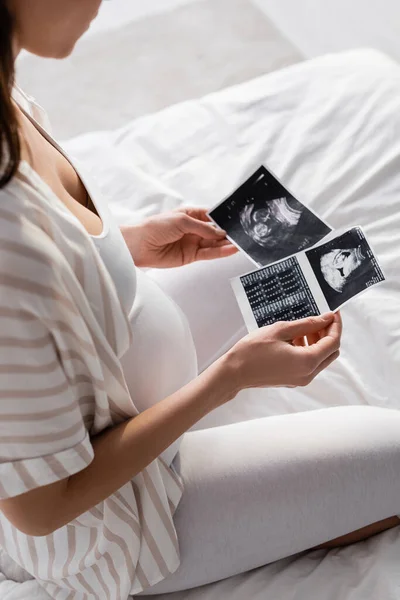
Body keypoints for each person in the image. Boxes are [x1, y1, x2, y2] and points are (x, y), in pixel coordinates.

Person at [0, 2, 399, 599]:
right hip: (118, 516)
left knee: (281, 248)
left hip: (112, 375)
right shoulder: (10, 250)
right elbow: (39, 508)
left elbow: (56, 254)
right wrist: (229, 379)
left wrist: (126, 243)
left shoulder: (7, 91)